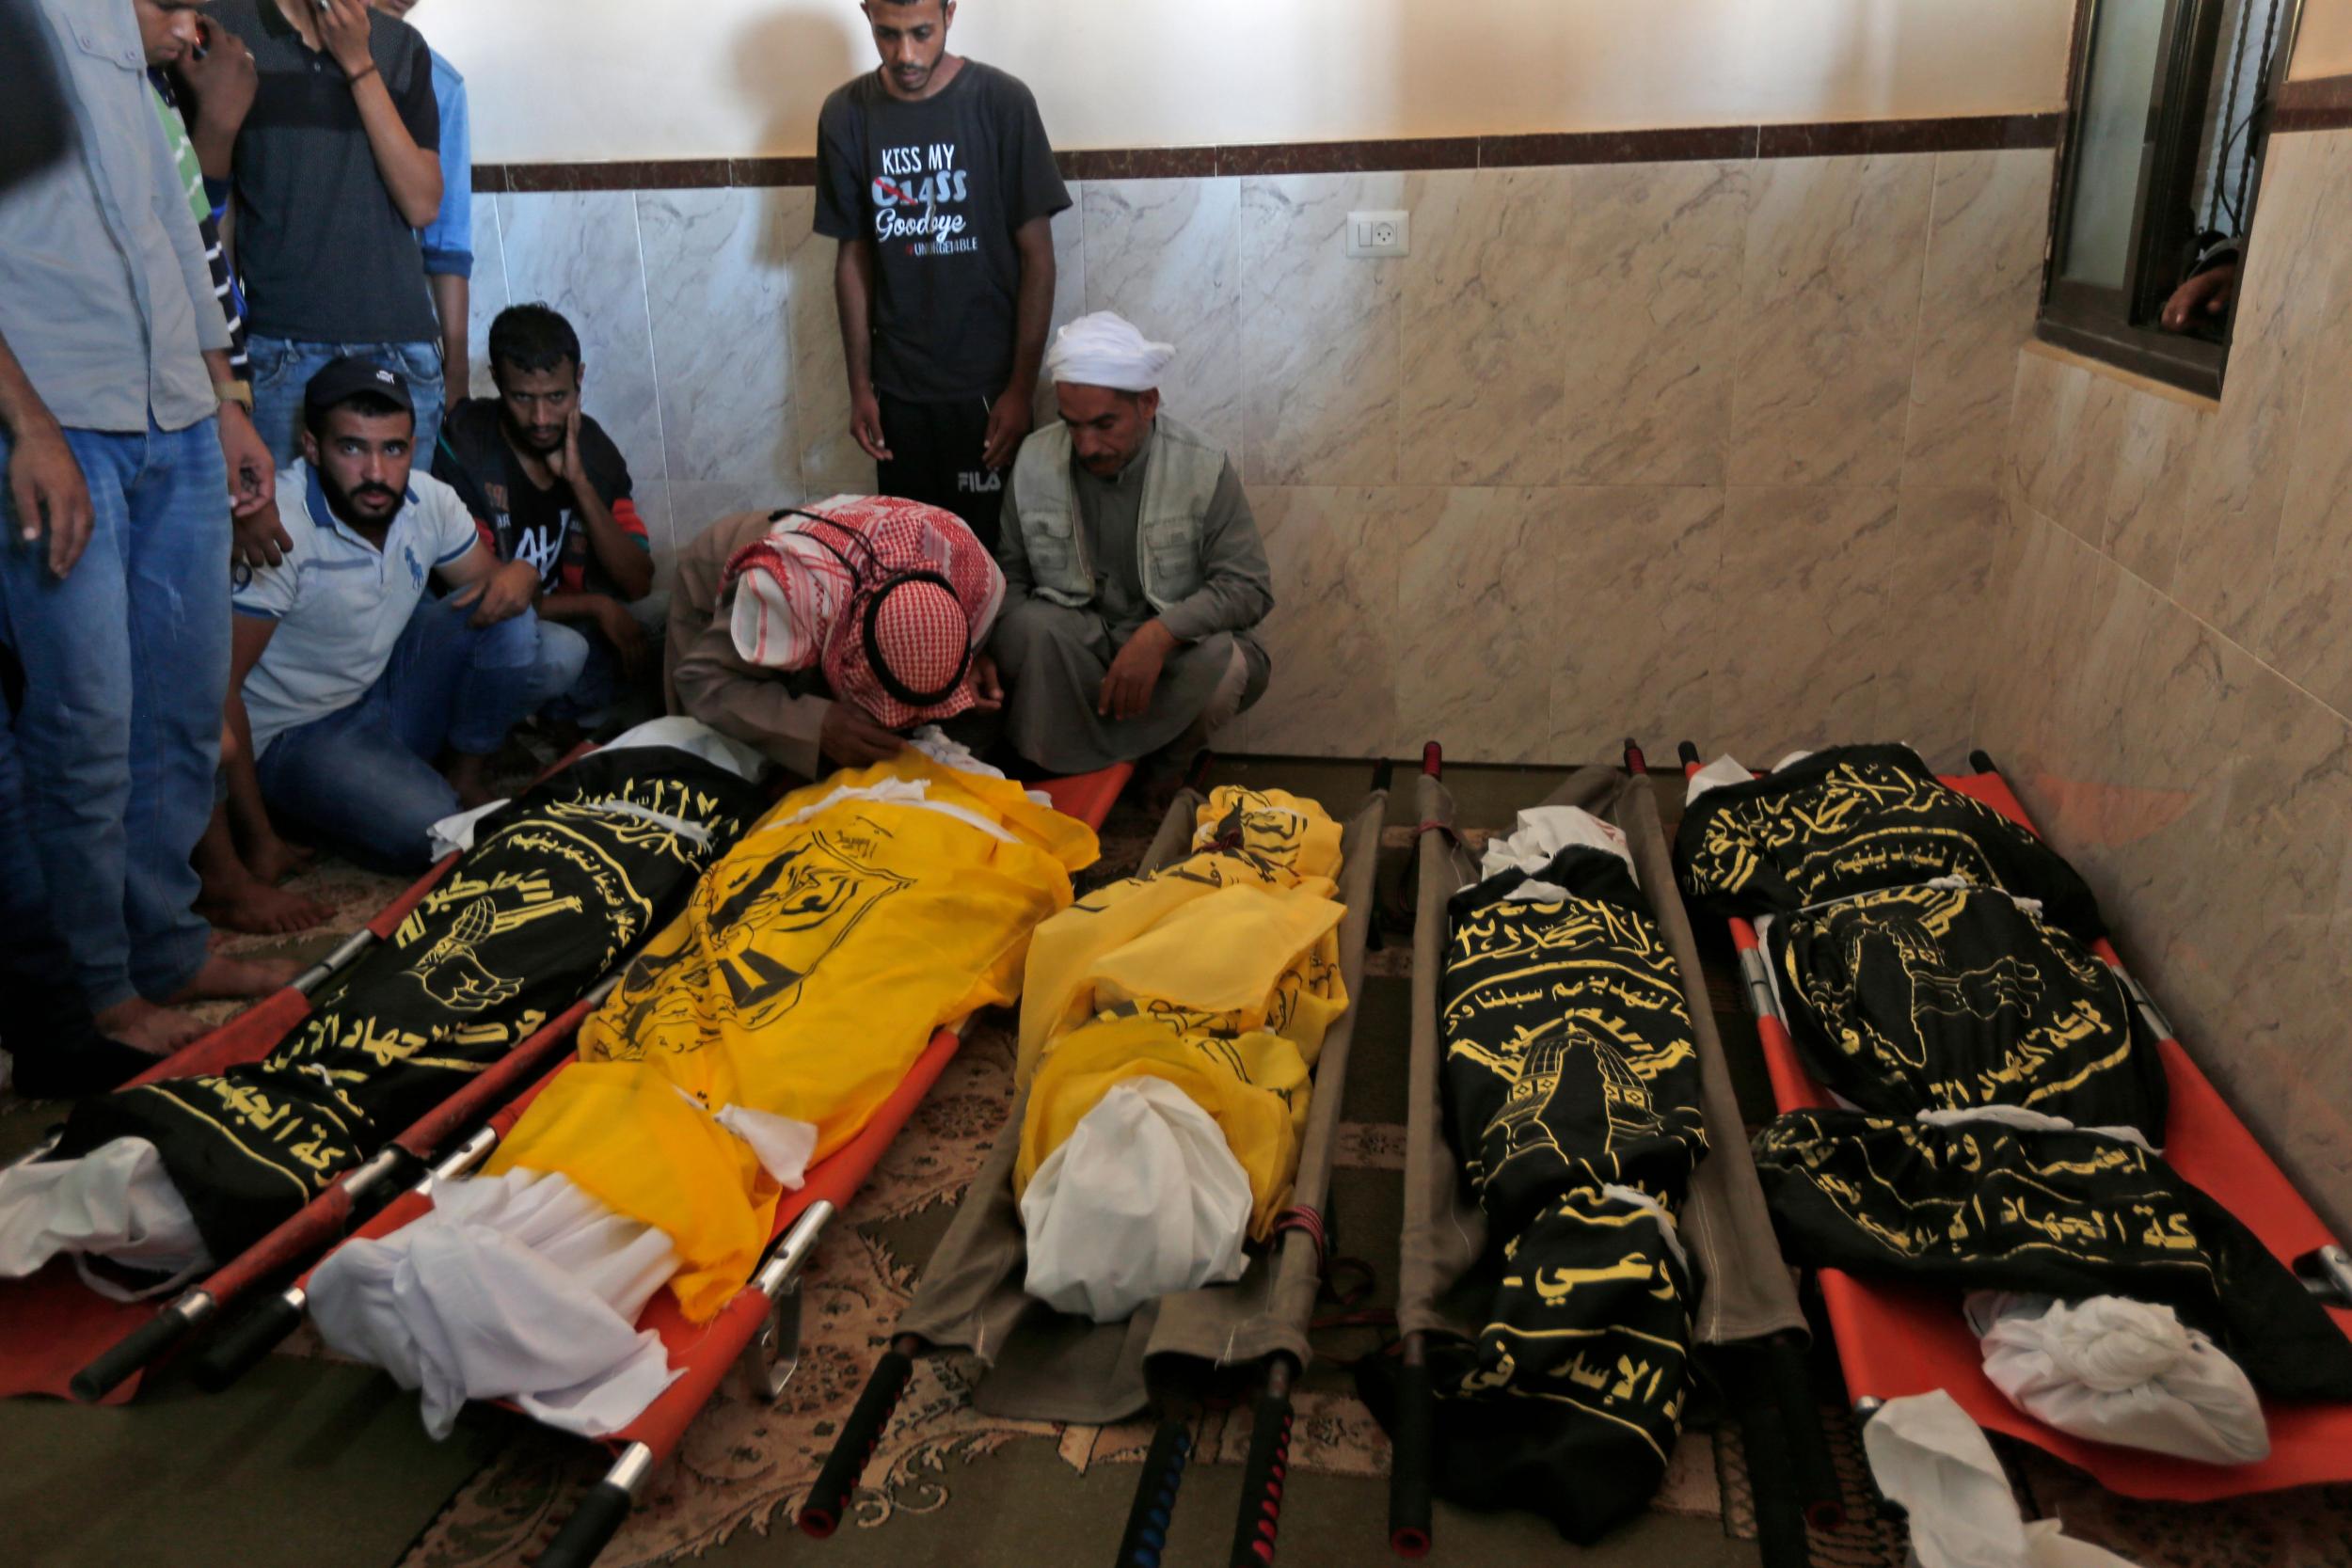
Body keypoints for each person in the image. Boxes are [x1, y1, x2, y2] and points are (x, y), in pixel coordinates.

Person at [1, 0, 287, 1060]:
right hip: (55, 413)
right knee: (86, 719)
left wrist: (220, 393)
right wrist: (26, 425)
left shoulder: (117, 27)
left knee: (175, 704)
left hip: (171, 403)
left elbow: (172, 212)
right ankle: (101, 993)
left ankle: (166, 944)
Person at [223, 359, 586, 874]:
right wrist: (256, 838)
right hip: (296, 735)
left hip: (381, 692)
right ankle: (343, 801)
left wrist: (522, 572)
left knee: (549, 643)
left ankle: (463, 770)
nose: (376, 473)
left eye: (392, 449)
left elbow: (496, 594)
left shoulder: (428, 500)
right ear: (311, 448)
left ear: (411, 448)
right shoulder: (279, 526)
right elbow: (219, 692)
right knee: (435, 830)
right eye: (352, 447)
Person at [816, 0, 1069, 551]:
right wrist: (860, 386)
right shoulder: (845, 114)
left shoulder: (1002, 103)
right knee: (913, 567)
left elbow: (1039, 258)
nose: (905, 54)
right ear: (865, 14)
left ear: (951, 12)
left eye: (921, 33)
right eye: (887, 34)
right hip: (899, 392)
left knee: (997, 566)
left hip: (989, 392)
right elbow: (852, 259)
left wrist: (1021, 388)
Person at [991, 312, 1273, 778]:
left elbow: (1249, 587)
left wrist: (1158, 637)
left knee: (1230, 667)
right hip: (1076, 650)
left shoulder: (1201, 466)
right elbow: (1010, 579)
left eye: (1104, 425)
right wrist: (996, 653)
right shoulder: (1036, 459)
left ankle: (1166, 770)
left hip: (1171, 655)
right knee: (1024, 629)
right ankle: (1058, 776)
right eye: (1072, 426)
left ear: (1148, 403)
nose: (1085, 446)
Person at [212, 0, 447, 467]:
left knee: (398, 538)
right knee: (281, 535)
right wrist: (225, 369)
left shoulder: (399, 46)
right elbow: (215, 210)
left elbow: (422, 203)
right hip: (279, 350)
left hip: (399, 347)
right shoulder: (228, 33)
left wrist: (358, 62)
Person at [666, 496, 1005, 782]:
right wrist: (817, 727)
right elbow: (700, 680)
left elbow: (932, 634)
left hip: (838, 549)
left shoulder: (974, 575)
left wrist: (968, 660)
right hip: (726, 579)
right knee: (715, 766)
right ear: (849, 647)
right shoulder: (785, 593)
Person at [434, 305, 654, 737]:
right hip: (493, 629)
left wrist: (579, 485)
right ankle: (504, 731)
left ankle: (552, 720)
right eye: (523, 398)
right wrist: (595, 605)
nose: (541, 419)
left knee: (666, 616)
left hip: (560, 617)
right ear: (497, 380)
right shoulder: (467, 447)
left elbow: (638, 582)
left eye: (557, 397)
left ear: (579, 380)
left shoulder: (591, 447)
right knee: (564, 652)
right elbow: (485, 597)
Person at [368, 0, 470, 389]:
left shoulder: (441, 82)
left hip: (400, 337)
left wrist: (457, 372)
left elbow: (448, 243)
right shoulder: (278, 61)